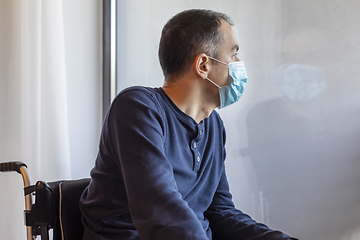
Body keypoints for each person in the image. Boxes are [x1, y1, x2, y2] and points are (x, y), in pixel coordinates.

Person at [79, 9, 297, 240]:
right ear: (203, 65)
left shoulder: (212, 125)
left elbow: (219, 212)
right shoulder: (137, 108)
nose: (239, 63)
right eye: (233, 54)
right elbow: (160, 211)